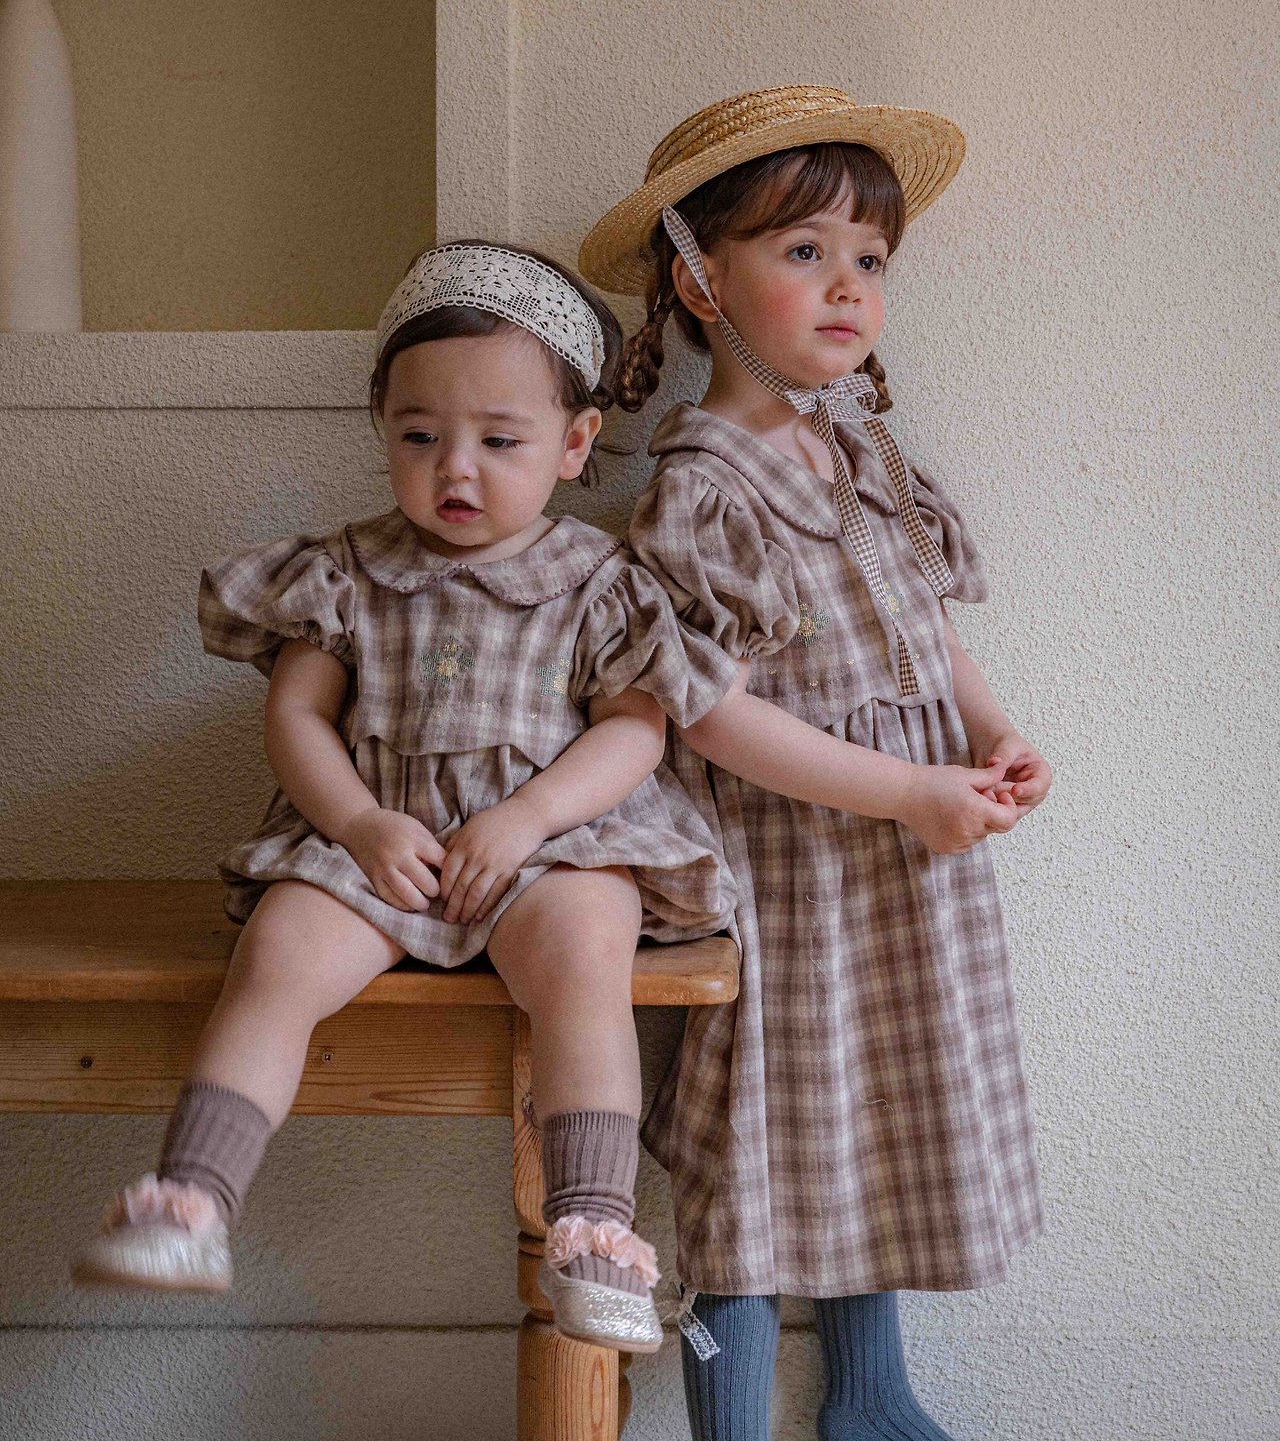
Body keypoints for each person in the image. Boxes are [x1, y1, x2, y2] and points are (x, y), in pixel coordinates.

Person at [72, 241, 744, 1357]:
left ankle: (591, 1227)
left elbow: (636, 726)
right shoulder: (347, 569)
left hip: (543, 851)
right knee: (280, 947)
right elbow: (296, 714)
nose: (456, 471)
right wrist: (354, 823)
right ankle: (193, 1196)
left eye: (499, 440)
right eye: (419, 437)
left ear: (576, 444)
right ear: (382, 428)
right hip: (379, 842)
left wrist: (528, 819)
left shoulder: (595, 579)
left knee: (589, 945)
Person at [577, 84, 1051, 1438]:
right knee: (761, 1165)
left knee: (871, 1131)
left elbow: (922, 625)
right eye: (803, 252)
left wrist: (991, 734)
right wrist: (908, 789)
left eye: (870, 259)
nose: (847, 285)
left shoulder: (859, 449)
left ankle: (870, 1396)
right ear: (700, 281)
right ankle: (726, 1430)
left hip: (906, 858)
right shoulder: (705, 482)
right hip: (790, 874)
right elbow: (710, 710)